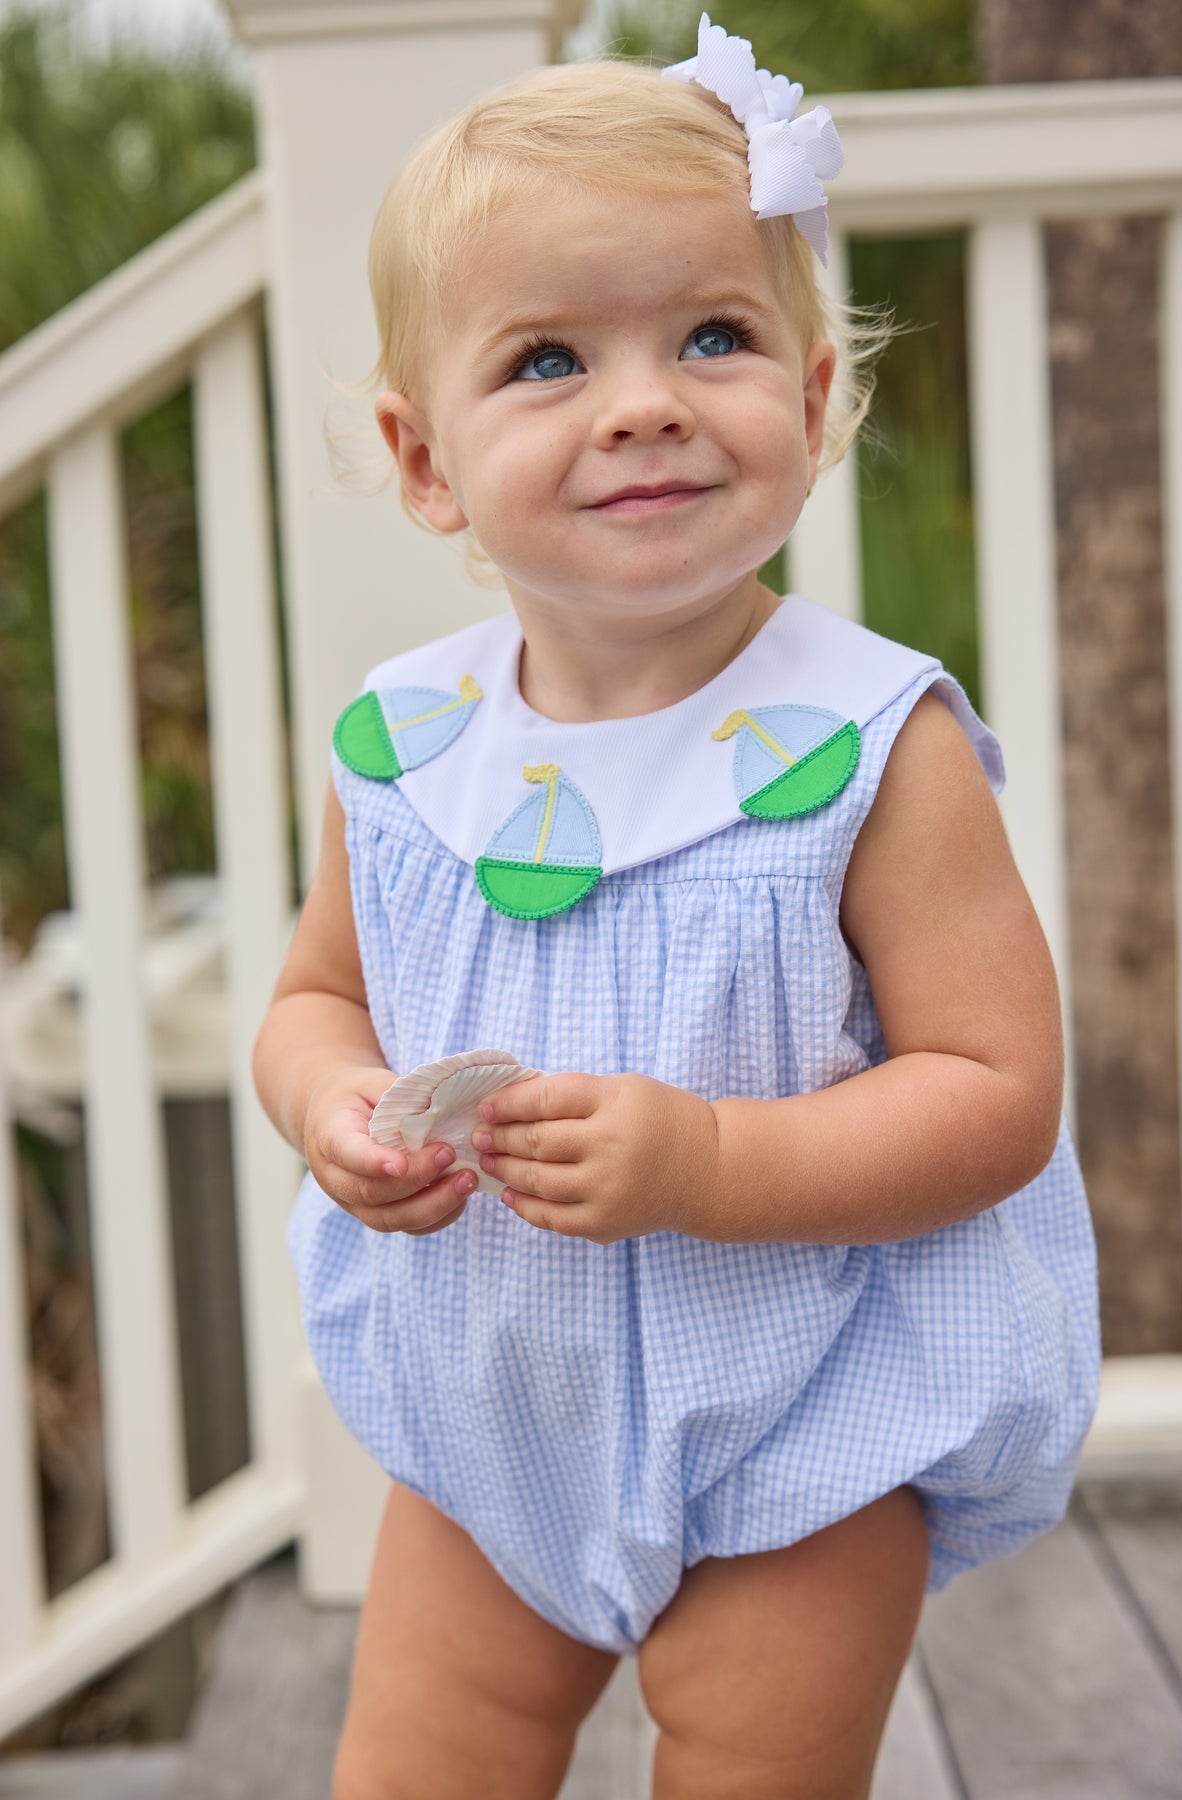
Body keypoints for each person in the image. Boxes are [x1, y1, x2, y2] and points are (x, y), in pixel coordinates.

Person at [254, 16, 1100, 1798]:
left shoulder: (868, 745)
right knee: (417, 1771)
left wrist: (709, 1161)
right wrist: (332, 1110)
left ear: (808, 398)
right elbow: (315, 999)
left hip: (802, 1412)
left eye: (711, 335)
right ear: (426, 458)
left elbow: (995, 1092)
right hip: (494, 1417)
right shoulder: (406, 752)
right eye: (547, 358)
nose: (642, 400)